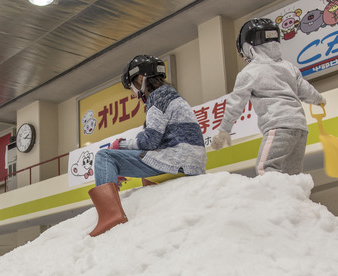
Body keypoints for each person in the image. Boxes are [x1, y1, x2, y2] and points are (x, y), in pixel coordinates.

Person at [90, 54, 206, 237]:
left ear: (140, 79)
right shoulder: (172, 95)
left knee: (104, 157)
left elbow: (150, 141)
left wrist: (119, 145)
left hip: (176, 158)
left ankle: (109, 217)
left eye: (131, 87)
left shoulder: (158, 97)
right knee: (145, 154)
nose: (133, 93)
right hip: (192, 161)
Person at [211, 18, 325, 176]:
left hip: (278, 126)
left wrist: (224, 130)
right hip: (300, 128)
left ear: (247, 47)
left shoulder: (249, 72)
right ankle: (294, 200)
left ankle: (275, 201)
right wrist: (320, 100)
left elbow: (235, 104)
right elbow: (306, 91)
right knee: (293, 175)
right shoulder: (288, 67)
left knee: (266, 169)